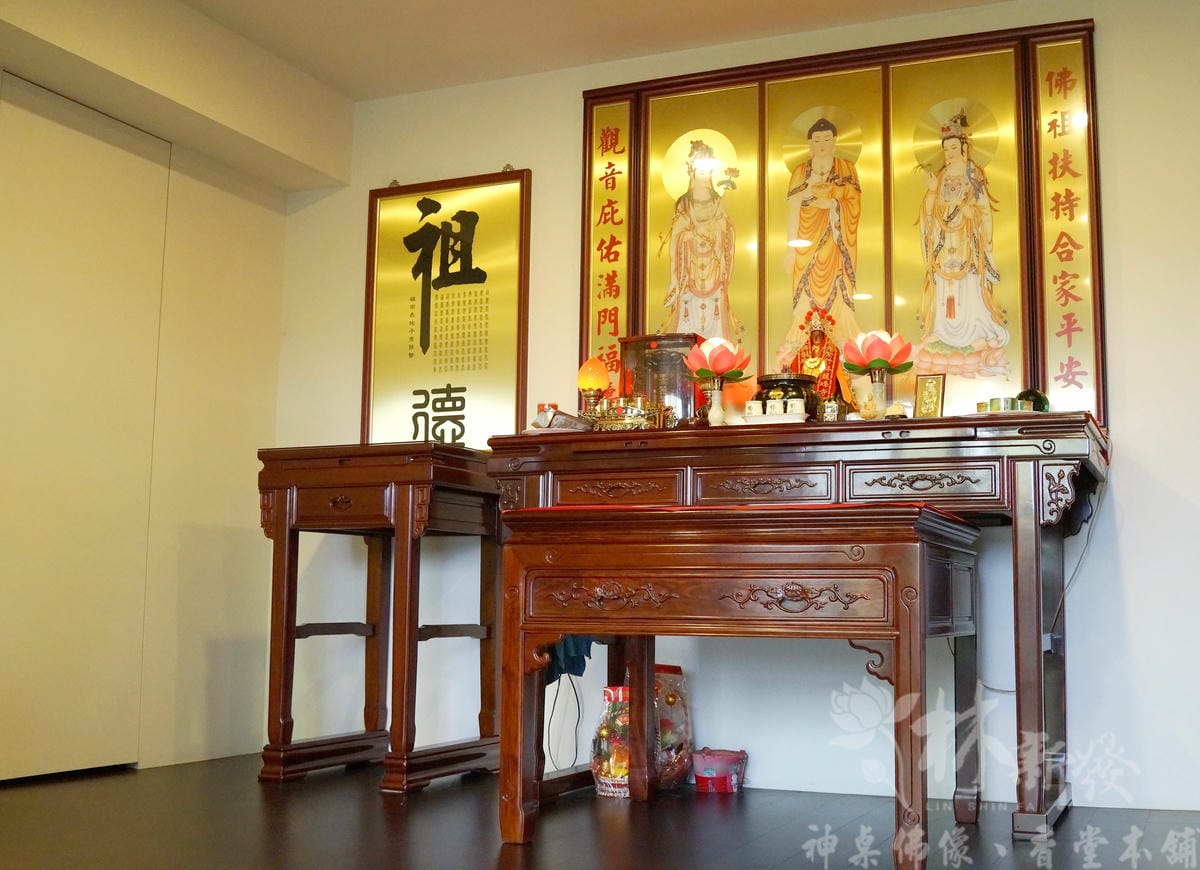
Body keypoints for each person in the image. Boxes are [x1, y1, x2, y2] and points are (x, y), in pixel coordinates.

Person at [917, 111, 1009, 358]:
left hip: (967, 240)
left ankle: (976, 330)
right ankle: (942, 331)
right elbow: (928, 213)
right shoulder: (941, 177)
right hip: (944, 241)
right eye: (946, 149)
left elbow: (983, 208)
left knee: (968, 285)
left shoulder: (973, 175)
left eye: (953, 148)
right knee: (945, 287)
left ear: (963, 148)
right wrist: (933, 192)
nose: (949, 154)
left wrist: (969, 212)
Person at [775, 117, 862, 367]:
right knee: (805, 290)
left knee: (838, 283)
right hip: (806, 242)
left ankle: (842, 340)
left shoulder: (846, 168)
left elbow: (854, 203)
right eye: (817, 140)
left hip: (835, 241)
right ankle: (801, 342)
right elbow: (793, 209)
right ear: (810, 144)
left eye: (826, 139)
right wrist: (791, 248)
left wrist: (833, 203)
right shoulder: (800, 172)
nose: (822, 144)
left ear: (834, 142)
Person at [659, 140, 742, 341]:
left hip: (713, 268)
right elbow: (676, 237)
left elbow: (726, 231)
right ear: (692, 172)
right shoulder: (685, 203)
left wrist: (716, 230)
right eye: (701, 171)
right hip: (690, 272)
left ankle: (717, 353)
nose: (705, 176)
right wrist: (690, 235)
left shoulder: (717, 202)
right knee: (688, 310)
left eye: (708, 172)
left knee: (715, 314)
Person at [783, 305, 858, 411]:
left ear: (823, 335)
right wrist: (789, 373)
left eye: (819, 334)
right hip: (807, 394)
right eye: (814, 335)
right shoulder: (802, 353)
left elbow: (839, 374)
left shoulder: (832, 352)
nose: (816, 337)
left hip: (827, 395)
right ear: (810, 336)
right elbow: (795, 370)